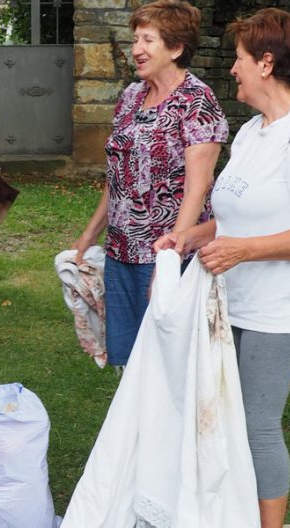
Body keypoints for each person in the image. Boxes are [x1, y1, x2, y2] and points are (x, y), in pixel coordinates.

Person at [155, 8, 290, 527]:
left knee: (257, 424)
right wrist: (192, 236)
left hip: (279, 311)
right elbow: (235, 215)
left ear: (266, 63)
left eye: (240, 59)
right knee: (226, 418)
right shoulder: (252, 132)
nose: (233, 69)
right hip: (232, 301)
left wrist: (244, 251)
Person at [72, 0, 228, 369]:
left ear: (175, 48)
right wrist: (89, 235)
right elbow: (117, 177)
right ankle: (135, 428)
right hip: (120, 251)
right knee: (128, 360)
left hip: (165, 253)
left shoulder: (197, 102)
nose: (136, 49)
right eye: (135, 39)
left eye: (147, 40)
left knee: (167, 361)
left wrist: (170, 257)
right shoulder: (130, 97)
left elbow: (197, 188)